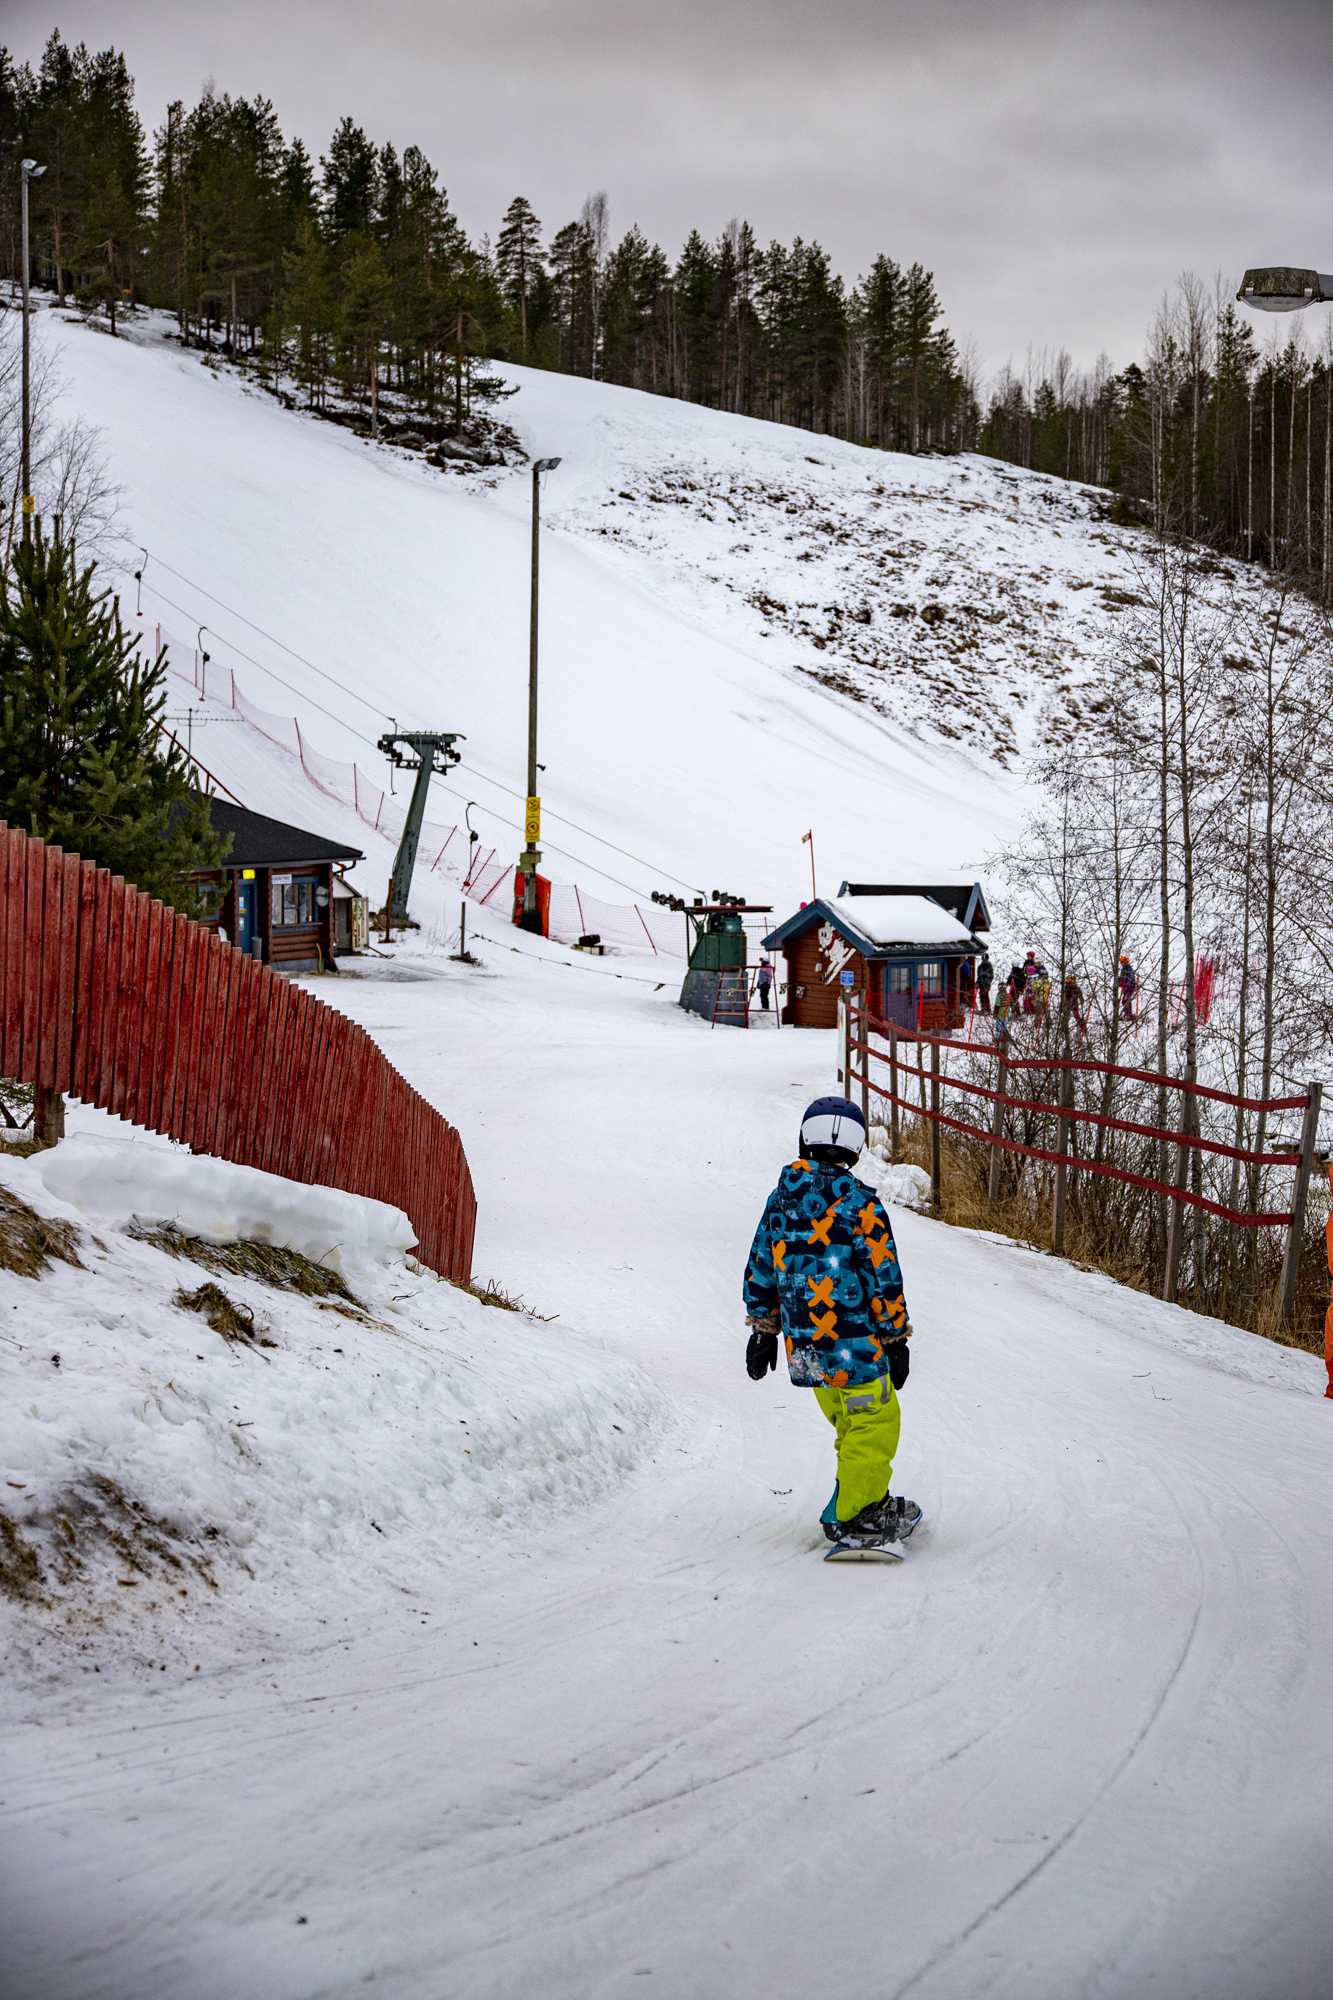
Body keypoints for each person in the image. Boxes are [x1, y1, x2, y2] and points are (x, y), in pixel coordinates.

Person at [743, 1095, 921, 1560]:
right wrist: (895, 1336)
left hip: (806, 1346)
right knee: (874, 1423)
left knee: (849, 1424)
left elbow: (762, 1263)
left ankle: (861, 1501)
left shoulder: (780, 1200)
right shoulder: (862, 1206)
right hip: (856, 1347)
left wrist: (763, 1328)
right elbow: (883, 1276)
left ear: (804, 1141)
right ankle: (855, 1515)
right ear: (857, 1151)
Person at [1058, 972, 1085, 1038]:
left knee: (1066, 1017)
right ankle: (1083, 1027)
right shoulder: (1075, 988)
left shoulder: (1065, 989)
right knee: (1076, 1016)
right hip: (1074, 1005)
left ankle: (1063, 1029)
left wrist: (1061, 1007)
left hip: (1068, 1005)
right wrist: (1082, 1000)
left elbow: (1062, 999)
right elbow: (1080, 996)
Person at [1118, 955, 1137, 1023]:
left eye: (1122, 962)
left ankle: (1128, 1014)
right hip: (1126, 987)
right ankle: (1126, 1014)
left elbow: (1130, 979)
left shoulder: (1129, 969)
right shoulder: (1123, 969)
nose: (1121, 964)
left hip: (1129, 987)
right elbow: (1121, 978)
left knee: (1126, 1000)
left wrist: (1126, 983)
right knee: (1124, 1000)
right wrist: (1119, 982)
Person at [977, 951, 994, 1015]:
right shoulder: (981, 966)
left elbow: (990, 976)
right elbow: (979, 975)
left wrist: (986, 981)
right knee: (982, 996)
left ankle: (987, 1009)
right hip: (981, 984)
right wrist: (978, 981)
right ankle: (984, 1008)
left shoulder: (988, 966)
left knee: (985, 996)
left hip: (986, 984)